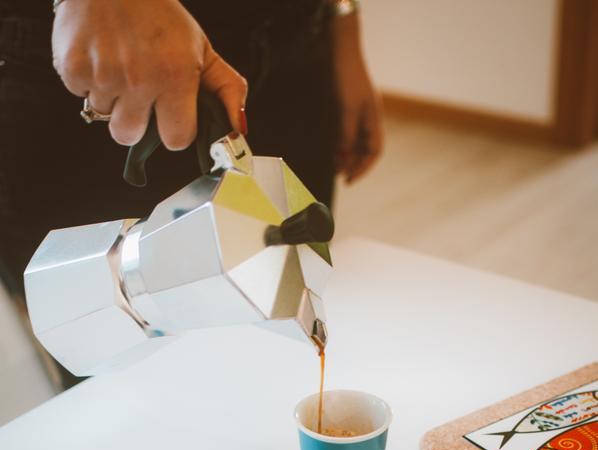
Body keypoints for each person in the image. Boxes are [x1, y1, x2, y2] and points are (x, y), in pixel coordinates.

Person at [0, 0, 382, 307]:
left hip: (292, 38)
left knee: (286, 313)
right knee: (121, 365)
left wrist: (342, 20)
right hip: (106, 64)